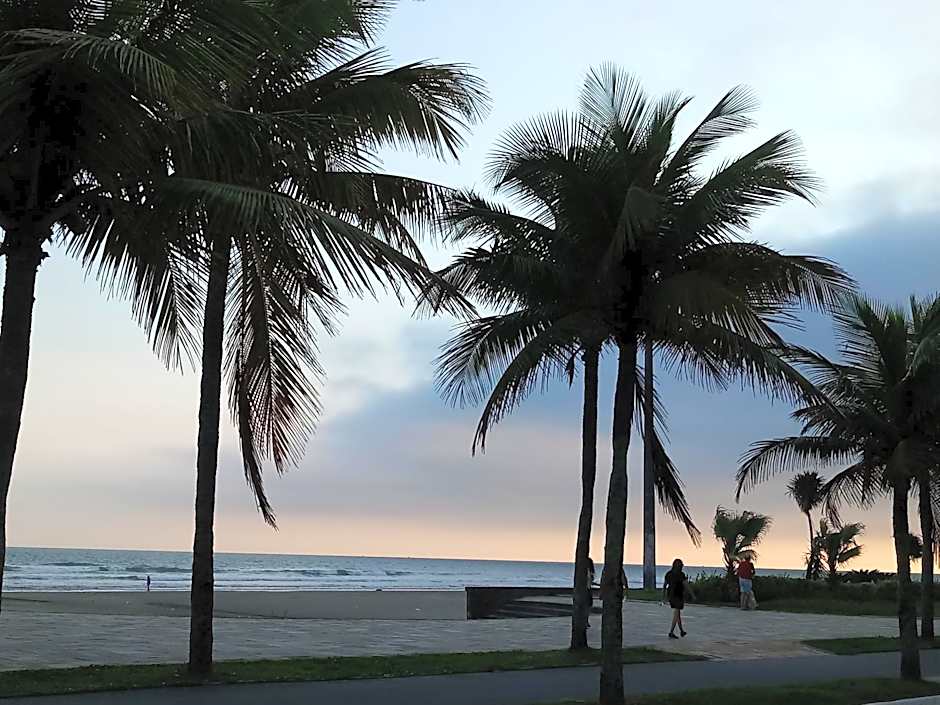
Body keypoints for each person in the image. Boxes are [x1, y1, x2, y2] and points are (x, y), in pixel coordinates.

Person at [663, 558, 692, 639]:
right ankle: (671, 632)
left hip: (670, 595)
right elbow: (686, 585)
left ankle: (681, 631)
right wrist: (692, 595)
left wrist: (664, 596)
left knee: (677, 613)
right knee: (676, 612)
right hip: (678, 595)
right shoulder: (681, 575)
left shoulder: (669, 574)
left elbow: (665, 585)